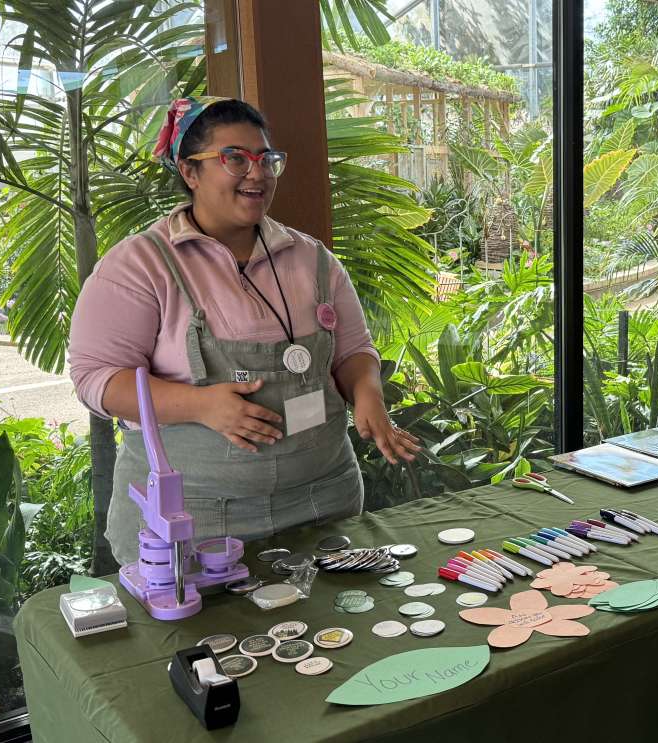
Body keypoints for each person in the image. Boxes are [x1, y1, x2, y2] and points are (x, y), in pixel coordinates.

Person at [68, 96, 420, 565]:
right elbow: (96, 380)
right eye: (235, 158)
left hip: (322, 505)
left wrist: (368, 394)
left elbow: (353, 350)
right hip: (193, 519)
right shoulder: (139, 265)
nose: (257, 173)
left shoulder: (312, 259)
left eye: (266, 159)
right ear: (190, 172)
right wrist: (200, 405)